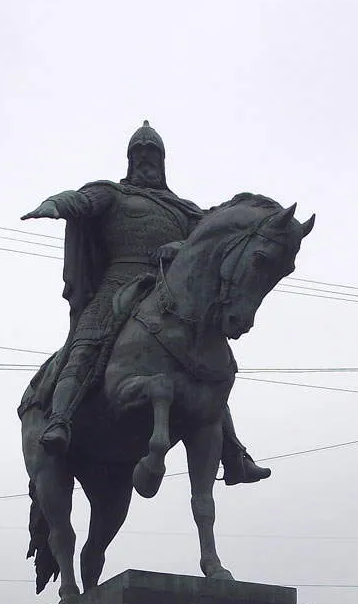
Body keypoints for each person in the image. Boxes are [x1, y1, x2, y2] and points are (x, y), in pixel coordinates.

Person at [20, 120, 270, 484]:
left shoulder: (183, 209)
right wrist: (57, 203)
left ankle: (233, 452)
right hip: (117, 283)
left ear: (163, 160)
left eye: (152, 154)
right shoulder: (113, 194)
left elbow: (210, 234)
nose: (146, 160)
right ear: (130, 160)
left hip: (165, 289)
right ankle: (59, 420)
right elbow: (83, 201)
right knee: (86, 343)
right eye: (139, 154)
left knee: (209, 365)